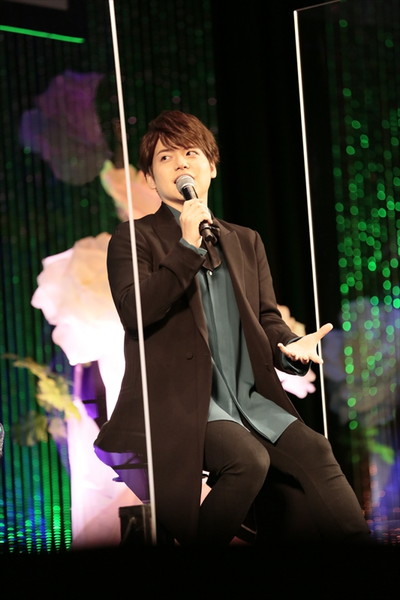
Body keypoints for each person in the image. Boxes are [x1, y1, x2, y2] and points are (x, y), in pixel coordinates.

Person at [94, 109, 372, 547]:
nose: (181, 163)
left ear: (212, 167)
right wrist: (186, 247)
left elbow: (266, 318)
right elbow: (135, 312)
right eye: (166, 158)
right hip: (183, 403)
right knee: (247, 459)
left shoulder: (245, 240)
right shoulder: (134, 238)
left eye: (191, 153)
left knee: (316, 450)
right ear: (149, 179)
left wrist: (290, 347)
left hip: (248, 397)